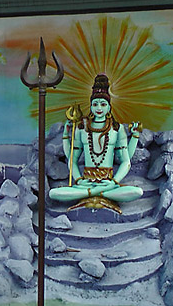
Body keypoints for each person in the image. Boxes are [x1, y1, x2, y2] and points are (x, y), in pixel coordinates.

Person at [48, 74, 142, 212]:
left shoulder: (116, 128)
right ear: (91, 106)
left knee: (137, 192)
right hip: (86, 183)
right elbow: (72, 159)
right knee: (54, 193)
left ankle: (91, 195)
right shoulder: (82, 128)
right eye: (95, 104)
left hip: (108, 183)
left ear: (109, 107)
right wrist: (79, 180)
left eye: (103, 104)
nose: (99, 108)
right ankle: (98, 194)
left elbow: (126, 161)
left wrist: (114, 182)